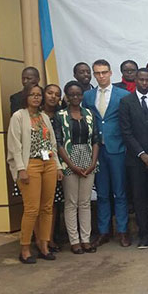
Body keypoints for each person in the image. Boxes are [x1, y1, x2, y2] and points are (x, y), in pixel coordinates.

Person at [6, 84, 63, 263]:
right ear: (26, 97)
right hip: (30, 165)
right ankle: (24, 248)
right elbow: (15, 146)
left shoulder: (44, 117)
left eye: (39, 95)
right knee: (32, 209)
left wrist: (58, 166)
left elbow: (52, 143)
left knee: (47, 208)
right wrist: (21, 169)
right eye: (32, 95)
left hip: (49, 165)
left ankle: (43, 245)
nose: (36, 98)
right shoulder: (18, 116)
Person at [83, 59, 131, 247]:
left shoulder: (123, 95)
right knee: (102, 193)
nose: (101, 76)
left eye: (104, 72)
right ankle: (104, 231)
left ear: (110, 73)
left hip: (117, 148)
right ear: (94, 75)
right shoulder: (88, 96)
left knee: (120, 192)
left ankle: (123, 230)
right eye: (97, 73)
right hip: (97, 150)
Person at [119, 68, 148, 249]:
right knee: (139, 197)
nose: (145, 83)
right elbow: (126, 132)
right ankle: (143, 234)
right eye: (141, 80)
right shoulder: (126, 102)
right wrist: (141, 154)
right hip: (135, 159)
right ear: (136, 80)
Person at [55, 81, 100, 254]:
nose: (75, 97)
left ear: (82, 96)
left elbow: (95, 139)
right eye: (71, 94)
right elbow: (58, 142)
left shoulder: (89, 114)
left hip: (88, 159)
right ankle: (74, 240)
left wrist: (92, 163)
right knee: (71, 203)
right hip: (69, 160)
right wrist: (71, 165)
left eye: (78, 94)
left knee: (85, 202)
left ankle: (86, 239)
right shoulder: (60, 116)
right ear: (66, 96)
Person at [42, 84, 65, 252]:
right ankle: (40, 238)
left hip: (56, 163)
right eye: (50, 93)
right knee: (37, 204)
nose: (53, 97)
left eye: (56, 94)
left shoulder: (60, 115)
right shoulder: (36, 115)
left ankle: (50, 238)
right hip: (38, 164)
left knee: (54, 203)